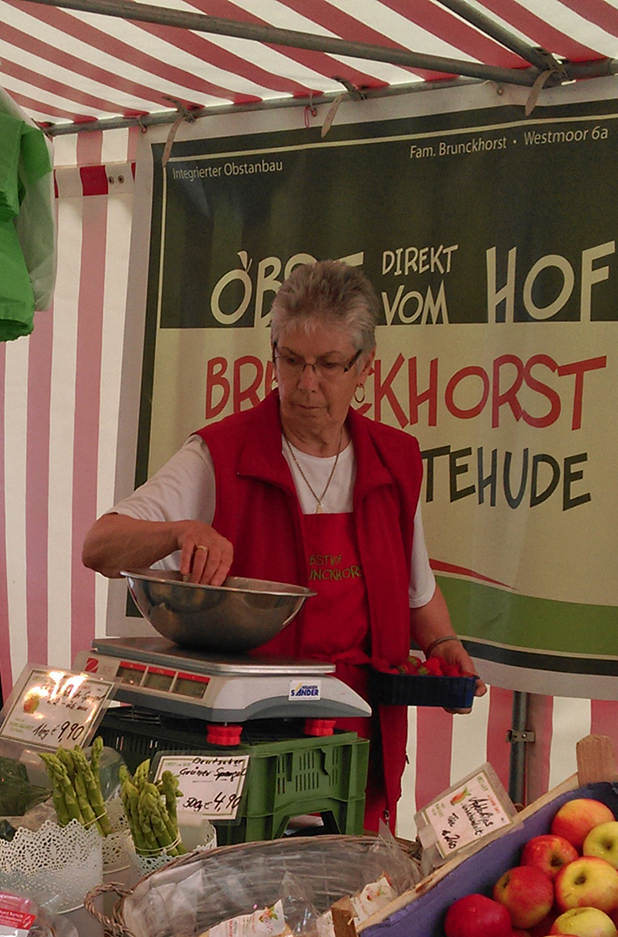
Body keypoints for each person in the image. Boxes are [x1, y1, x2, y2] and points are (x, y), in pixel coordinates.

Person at [82, 259, 483, 832]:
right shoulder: (220, 454)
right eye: (290, 361)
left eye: (326, 365)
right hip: (247, 748)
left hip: (358, 746)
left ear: (365, 366)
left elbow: (419, 597)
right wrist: (175, 532)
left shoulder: (395, 462)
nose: (305, 383)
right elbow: (98, 546)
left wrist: (443, 644)